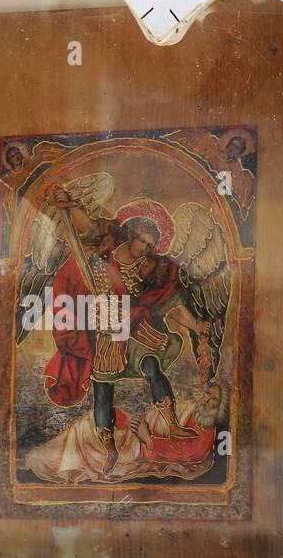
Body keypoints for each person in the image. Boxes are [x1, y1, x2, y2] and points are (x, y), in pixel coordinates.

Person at [42, 184, 210, 473]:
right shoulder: (105, 244)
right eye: (143, 241)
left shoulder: (152, 268)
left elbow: (169, 302)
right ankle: (108, 446)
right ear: (132, 232)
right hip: (103, 331)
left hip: (132, 329)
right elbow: (86, 226)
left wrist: (195, 324)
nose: (146, 248)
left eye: (150, 245)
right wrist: (66, 205)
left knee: (151, 366)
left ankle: (172, 425)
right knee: (103, 388)